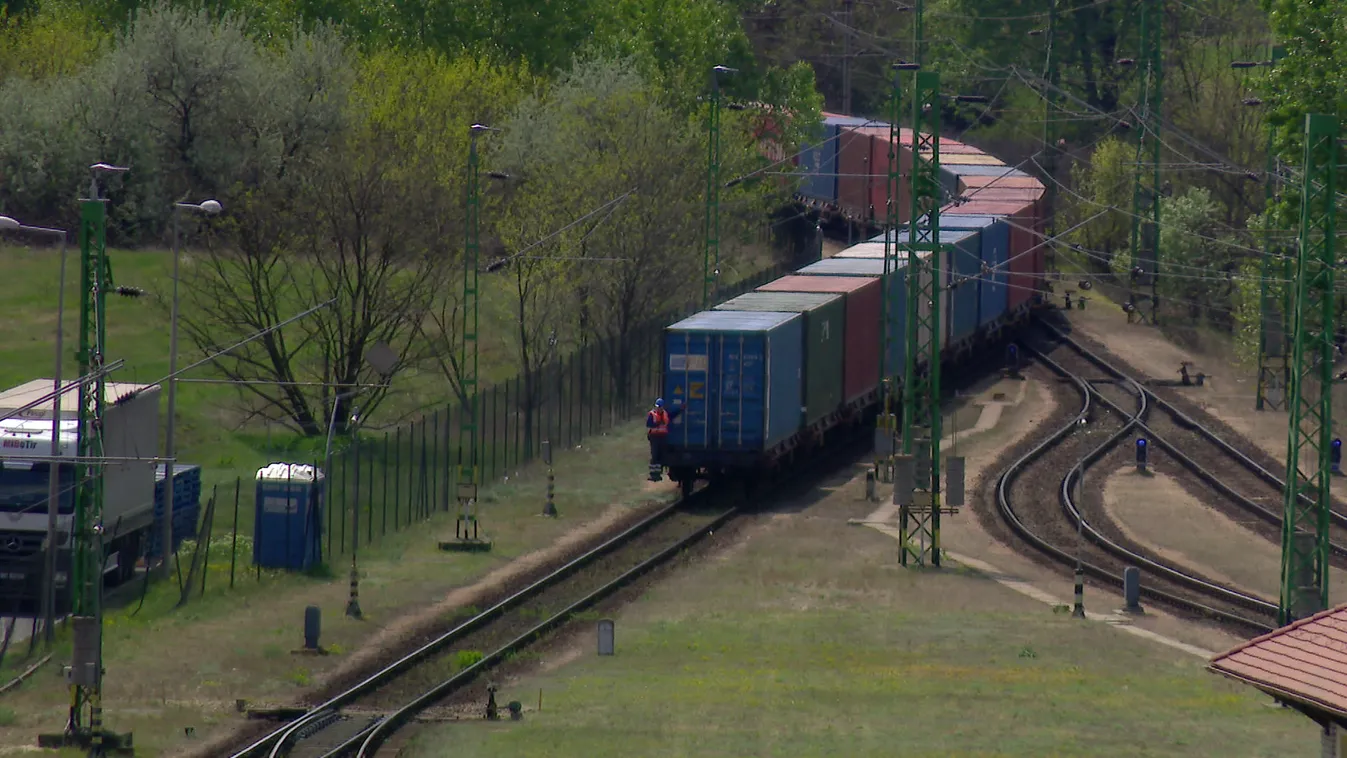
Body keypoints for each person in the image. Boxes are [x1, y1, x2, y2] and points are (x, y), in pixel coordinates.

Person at [646, 397, 682, 481]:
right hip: (654, 437)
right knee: (655, 456)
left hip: (662, 437)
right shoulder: (652, 414)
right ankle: (653, 475)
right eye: (657, 406)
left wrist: (681, 409)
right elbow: (649, 424)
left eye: (660, 406)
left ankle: (658, 474)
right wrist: (657, 423)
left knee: (661, 456)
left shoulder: (666, 414)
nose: (658, 408)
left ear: (662, 407)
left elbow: (673, 414)